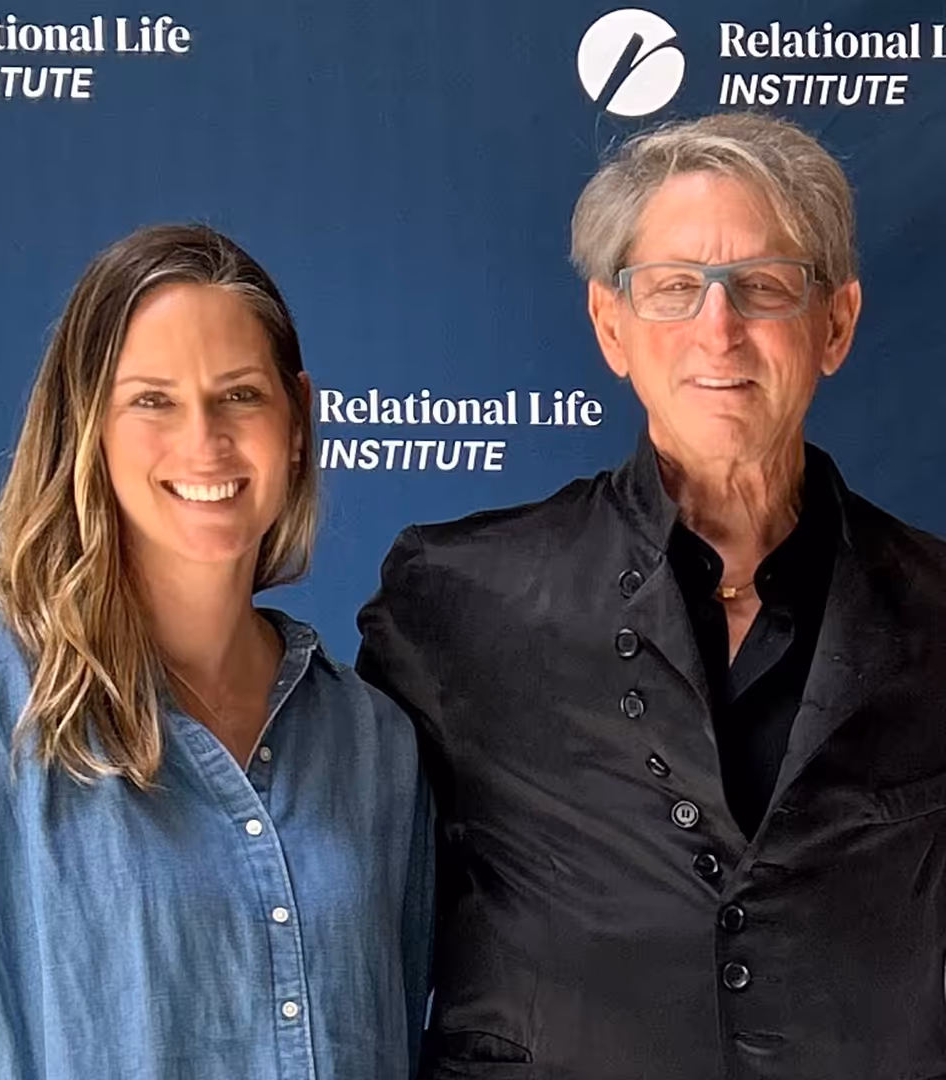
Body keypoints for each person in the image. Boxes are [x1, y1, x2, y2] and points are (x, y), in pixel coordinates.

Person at [357, 111, 946, 1079]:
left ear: (834, 325)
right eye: (675, 289)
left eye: (763, 287)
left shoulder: (937, 609)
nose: (718, 329)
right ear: (611, 327)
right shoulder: (455, 604)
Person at [0, 223, 432, 1080]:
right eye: (152, 400)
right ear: (83, 425)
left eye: (240, 394)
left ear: (298, 420)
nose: (203, 440)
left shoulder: (373, 745)